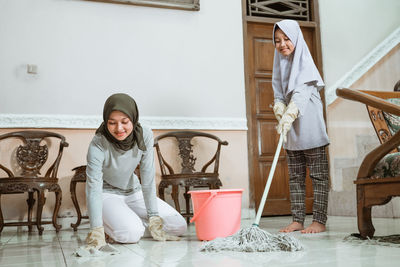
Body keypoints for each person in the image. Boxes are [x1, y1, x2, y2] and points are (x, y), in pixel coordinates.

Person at [84, 93, 187, 250]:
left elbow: (147, 177)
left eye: (125, 122)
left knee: (178, 226)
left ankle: (129, 224)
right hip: (107, 194)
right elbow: (93, 188)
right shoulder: (98, 143)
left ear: (133, 118)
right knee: (131, 235)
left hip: (133, 191)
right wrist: (95, 230)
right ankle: (114, 227)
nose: (119, 129)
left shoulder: (145, 134)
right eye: (112, 123)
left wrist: (153, 216)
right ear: (106, 122)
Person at [271, 20, 330, 234]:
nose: (282, 44)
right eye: (277, 40)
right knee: (295, 177)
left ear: (296, 38)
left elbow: (301, 93)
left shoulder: (305, 62)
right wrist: (279, 106)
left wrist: (289, 113)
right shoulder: (279, 64)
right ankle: (297, 219)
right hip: (292, 130)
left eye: (287, 38)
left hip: (310, 126)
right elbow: (278, 90)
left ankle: (319, 221)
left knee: (318, 176)